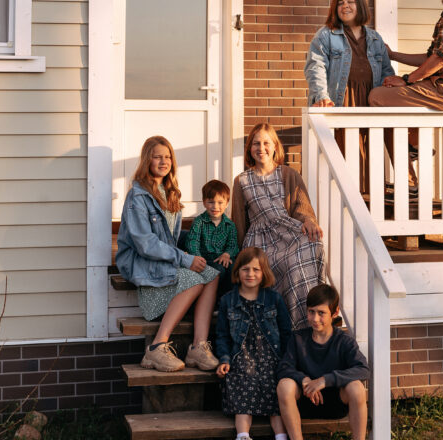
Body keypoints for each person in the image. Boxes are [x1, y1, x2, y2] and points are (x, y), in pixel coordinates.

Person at [116, 136, 220, 373]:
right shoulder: (138, 196)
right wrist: (184, 258)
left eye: (167, 156)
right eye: (157, 157)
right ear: (147, 160)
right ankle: (157, 348)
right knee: (194, 280)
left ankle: (198, 347)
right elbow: (146, 243)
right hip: (144, 264)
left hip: (163, 259)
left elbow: (169, 237)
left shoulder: (167, 191)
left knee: (212, 275)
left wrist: (201, 240)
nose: (164, 161)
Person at [276, 284, 372, 440]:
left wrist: (325, 380)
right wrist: (304, 380)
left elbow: (363, 369)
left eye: (321, 313)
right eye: (311, 312)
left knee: (357, 388)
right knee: (285, 384)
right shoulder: (299, 338)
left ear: (334, 312)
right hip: (303, 404)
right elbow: (283, 367)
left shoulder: (343, 341)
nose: (315, 318)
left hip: (334, 403)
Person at [231, 123, 324, 329]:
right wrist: (236, 253)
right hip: (259, 239)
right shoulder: (241, 180)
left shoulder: (289, 174)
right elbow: (238, 219)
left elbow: (302, 206)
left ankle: (303, 325)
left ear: (275, 147)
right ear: (249, 148)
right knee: (266, 263)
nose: (261, 148)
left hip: (287, 231)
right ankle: (280, 326)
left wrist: (308, 220)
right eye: (256, 143)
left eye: (266, 143)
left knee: (307, 249)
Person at [304, 0, 393, 194]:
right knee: (343, 156)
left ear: (359, 5)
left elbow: (387, 71)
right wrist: (321, 96)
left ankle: (369, 205)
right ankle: (343, 201)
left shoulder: (375, 38)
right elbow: (315, 66)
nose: (345, 6)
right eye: (340, 3)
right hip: (342, 100)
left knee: (369, 154)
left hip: (369, 102)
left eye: (350, 1)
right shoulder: (326, 35)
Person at [215, 247, 293, 440]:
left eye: (256, 270)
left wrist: (288, 362)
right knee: (240, 378)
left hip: (271, 356)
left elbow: (286, 332)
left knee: (275, 385)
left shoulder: (274, 299)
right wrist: (224, 359)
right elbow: (221, 335)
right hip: (241, 356)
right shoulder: (228, 301)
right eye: (245, 269)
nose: (250, 274)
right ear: (237, 272)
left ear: (264, 273)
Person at [186, 179, 239, 293]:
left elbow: (233, 244)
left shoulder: (229, 225)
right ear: (204, 202)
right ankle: (213, 298)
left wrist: (227, 254)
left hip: (223, 258)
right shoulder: (199, 222)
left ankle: (228, 298)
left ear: (227, 203)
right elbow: (192, 242)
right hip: (206, 260)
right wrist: (197, 258)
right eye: (211, 202)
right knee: (218, 270)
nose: (215, 206)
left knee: (233, 267)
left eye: (220, 202)